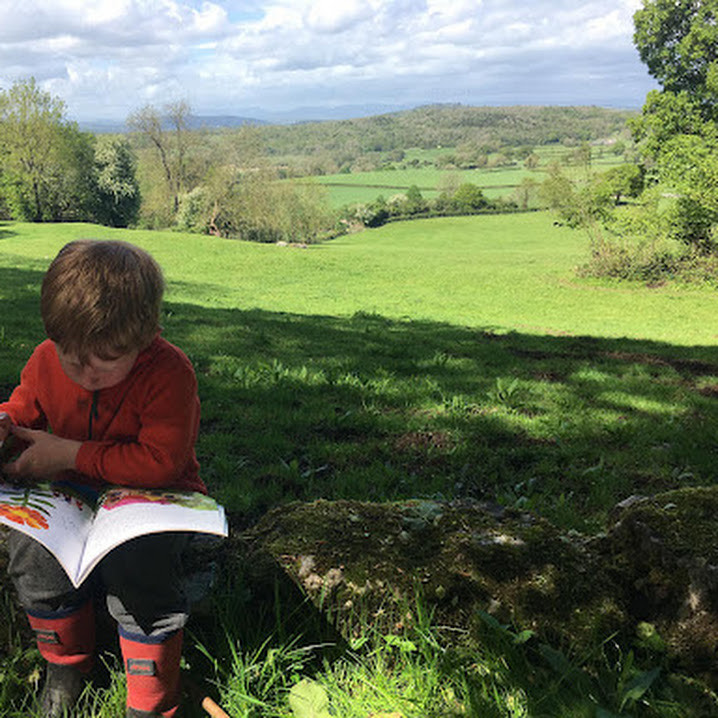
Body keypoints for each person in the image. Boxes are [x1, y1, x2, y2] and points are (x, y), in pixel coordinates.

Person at [0, 239, 206, 718]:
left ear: (148, 335)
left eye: (105, 360)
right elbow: (24, 407)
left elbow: (161, 463)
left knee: (141, 569)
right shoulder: (46, 359)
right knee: (32, 554)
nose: (85, 373)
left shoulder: (169, 371)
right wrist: (7, 425)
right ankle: (66, 666)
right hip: (70, 494)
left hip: (154, 497)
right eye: (71, 357)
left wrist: (69, 452)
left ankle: (151, 701)